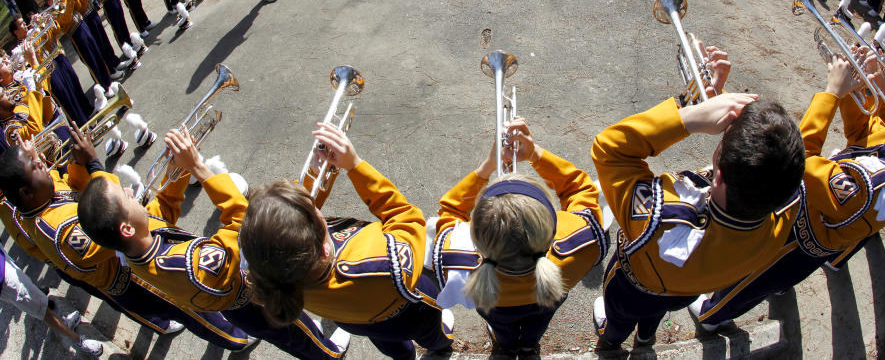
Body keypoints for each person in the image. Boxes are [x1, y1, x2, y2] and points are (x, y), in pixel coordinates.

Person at [689, 57, 885, 330]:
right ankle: (775, 287)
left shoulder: (873, 184)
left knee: (752, 281)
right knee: (773, 280)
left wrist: (831, 93)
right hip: (810, 220)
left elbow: (801, 159)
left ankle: (712, 314)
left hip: (799, 241)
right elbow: (862, 131)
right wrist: (853, 90)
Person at [77, 129, 351, 359]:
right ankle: (329, 352)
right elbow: (242, 221)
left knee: (294, 329)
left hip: (238, 294)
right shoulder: (182, 265)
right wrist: (198, 166)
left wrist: (178, 169)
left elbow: (165, 206)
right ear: (126, 228)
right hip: (251, 303)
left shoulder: (137, 244)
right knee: (298, 338)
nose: (129, 190)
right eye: (125, 197)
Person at [591, 90, 806, 350]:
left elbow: (609, 149)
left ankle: (612, 339)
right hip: (684, 292)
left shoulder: (663, 217)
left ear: (718, 177)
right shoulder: (787, 204)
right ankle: (646, 337)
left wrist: (689, 115)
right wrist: (710, 92)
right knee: (656, 314)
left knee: (619, 318)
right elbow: (763, 162)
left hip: (634, 288)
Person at [0, 130, 254, 349]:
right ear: (26, 192)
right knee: (192, 311)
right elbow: (106, 227)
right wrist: (95, 166)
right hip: (131, 279)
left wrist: (78, 163)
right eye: (35, 166)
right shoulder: (54, 230)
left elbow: (77, 190)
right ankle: (235, 339)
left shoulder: (45, 192)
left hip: (133, 249)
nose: (43, 164)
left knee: (189, 298)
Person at [238, 123, 454, 360]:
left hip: (358, 320)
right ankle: (441, 346)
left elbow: (293, 223)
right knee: (432, 332)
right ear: (323, 248)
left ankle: (405, 356)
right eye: (315, 213)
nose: (316, 208)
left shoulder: (276, 276)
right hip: (412, 313)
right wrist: (355, 165)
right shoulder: (384, 263)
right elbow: (406, 217)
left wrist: (316, 178)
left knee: (389, 343)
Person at [430, 118, 606, 356]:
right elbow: (580, 189)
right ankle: (529, 345)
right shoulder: (579, 241)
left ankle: (506, 344)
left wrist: (488, 167)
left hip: (492, 304)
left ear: (476, 236)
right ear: (552, 226)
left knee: (501, 327)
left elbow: (450, 211)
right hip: (547, 297)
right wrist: (535, 154)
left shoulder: (457, 256)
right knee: (538, 323)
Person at [0, 243, 103, 355]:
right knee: (43, 312)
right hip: (6, 281)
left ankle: (62, 321)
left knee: (34, 294)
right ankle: (79, 341)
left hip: (3, 261)